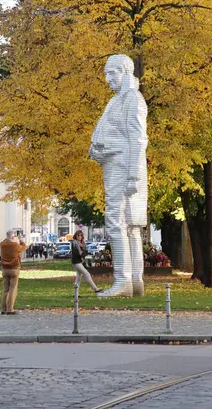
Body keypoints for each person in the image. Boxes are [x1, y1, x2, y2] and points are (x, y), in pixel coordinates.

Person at [89, 54, 148, 297]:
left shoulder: (132, 99)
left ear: (125, 71)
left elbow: (137, 138)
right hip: (117, 164)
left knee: (117, 222)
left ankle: (123, 280)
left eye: (111, 73)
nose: (107, 79)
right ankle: (134, 281)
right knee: (130, 226)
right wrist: (96, 149)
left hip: (123, 167)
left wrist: (134, 175)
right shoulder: (117, 101)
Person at [0, 230, 26, 315]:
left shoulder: (2, 244)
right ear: (12, 237)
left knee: (5, 289)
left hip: (4, 269)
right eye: (14, 236)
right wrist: (20, 239)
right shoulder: (15, 245)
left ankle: (3, 309)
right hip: (14, 269)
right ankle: (10, 309)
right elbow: (24, 247)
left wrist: (9, 237)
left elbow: (5, 241)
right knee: (12, 289)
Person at [71, 231, 103, 295]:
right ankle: (95, 289)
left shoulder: (82, 243)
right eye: (78, 235)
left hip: (81, 261)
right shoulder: (74, 242)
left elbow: (86, 251)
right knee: (87, 274)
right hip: (76, 261)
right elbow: (77, 253)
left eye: (81, 235)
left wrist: (84, 253)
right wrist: (83, 253)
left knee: (78, 277)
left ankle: (75, 294)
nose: (80, 237)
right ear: (75, 236)